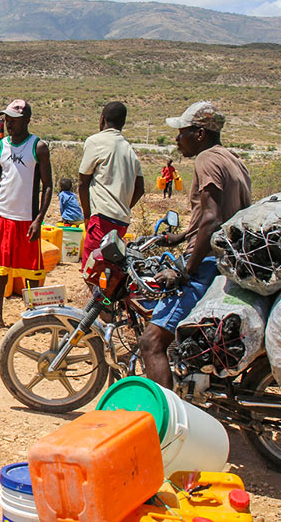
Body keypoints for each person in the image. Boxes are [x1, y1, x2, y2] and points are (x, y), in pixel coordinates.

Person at [139, 101, 251, 389]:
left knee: (151, 341)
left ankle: (168, 424)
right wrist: (182, 235)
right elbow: (224, 215)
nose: (177, 139)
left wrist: (185, 270)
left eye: (182, 132)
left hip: (206, 263)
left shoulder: (207, 160)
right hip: (225, 259)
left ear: (200, 134)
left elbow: (212, 219)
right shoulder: (232, 159)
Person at [0, 99, 52, 332]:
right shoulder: (0, 147)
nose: (9, 124)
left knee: (31, 270)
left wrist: (39, 219)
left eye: (14, 120)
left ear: (26, 120)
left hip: (27, 218)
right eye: (7, 119)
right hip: (2, 215)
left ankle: (34, 318)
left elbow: (48, 185)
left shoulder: (38, 147)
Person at [78, 102, 144, 267]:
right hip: (122, 220)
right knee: (111, 268)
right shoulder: (129, 150)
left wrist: (87, 215)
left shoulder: (95, 141)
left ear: (102, 119)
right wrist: (124, 206)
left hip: (101, 218)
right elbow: (140, 187)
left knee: (92, 269)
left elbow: (82, 182)